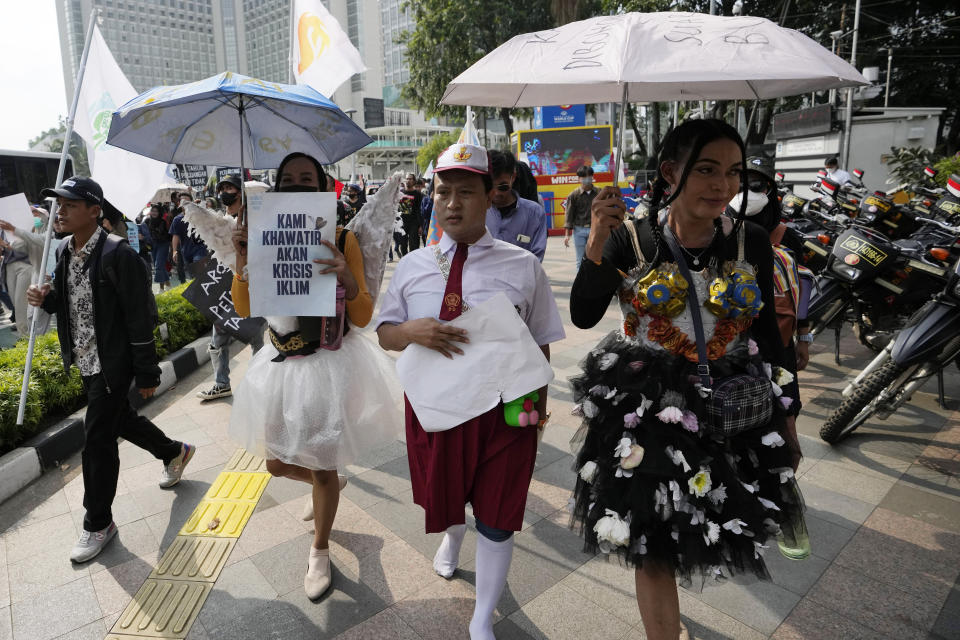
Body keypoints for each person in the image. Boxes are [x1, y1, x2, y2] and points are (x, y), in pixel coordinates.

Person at [567, 120, 804, 640]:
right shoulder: (630, 236)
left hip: (733, 406)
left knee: (711, 522)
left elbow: (770, 337)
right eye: (706, 170)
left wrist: (788, 414)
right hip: (650, 407)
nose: (722, 185)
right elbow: (583, 315)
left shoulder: (752, 241)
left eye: (733, 172)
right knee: (650, 536)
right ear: (671, 171)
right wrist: (597, 244)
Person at [376, 143, 564, 640]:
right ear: (433, 200)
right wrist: (412, 331)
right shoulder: (413, 266)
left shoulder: (523, 266)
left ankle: (483, 619)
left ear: (489, 197)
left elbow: (541, 344)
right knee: (449, 498)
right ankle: (453, 539)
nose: (453, 203)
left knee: (500, 514)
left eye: (465, 192)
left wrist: (536, 411)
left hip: (504, 413)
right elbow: (384, 334)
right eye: (444, 193)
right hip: (437, 410)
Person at [228, 153, 401, 600]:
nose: (298, 186)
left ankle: (320, 549)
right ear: (276, 187)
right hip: (279, 366)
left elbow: (362, 316)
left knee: (322, 467)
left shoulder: (342, 238)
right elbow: (245, 309)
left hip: (328, 365)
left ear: (327, 189)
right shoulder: (261, 238)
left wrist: (346, 277)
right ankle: (329, 484)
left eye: (308, 179)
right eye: (288, 179)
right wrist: (242, 259)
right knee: (275, 462)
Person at [26, 176, 194, 563]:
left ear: (94, 210)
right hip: (85, 359)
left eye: (69, 205)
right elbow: (71, 304)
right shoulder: (67, 250)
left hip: (113, 363)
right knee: (119, 420)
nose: (61, 212)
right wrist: (46, 298)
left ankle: (97, 522)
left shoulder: (119, 254)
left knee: (97, 439)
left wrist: (148, 372)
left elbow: (139, 317)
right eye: (59, 205)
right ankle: (173, 452)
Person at [728, 156, 813, 450]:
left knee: (783, 421)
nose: (746, 191)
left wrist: (804, 338)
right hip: (728, 346)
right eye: (740, 182)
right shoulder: (717, 229)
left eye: (756, 184)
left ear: (770, 191)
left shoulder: (785, 236)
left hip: (777, 343)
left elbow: (800, 290)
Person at [196, 175, 264, 401]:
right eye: (222, 188)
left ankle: (260, 383)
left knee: (257, 340)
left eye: (230, 188)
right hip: (223, 287)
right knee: (217, 339)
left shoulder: (254, 220)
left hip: (249, 287)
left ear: (240, 192)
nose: (225, 191)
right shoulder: (218, 221)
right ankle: (221, 382)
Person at [485, 149, 548, 261]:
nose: (496, 193)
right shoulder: (473, 212)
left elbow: (536, 260)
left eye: (502, 187)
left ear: (513, 177)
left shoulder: (535, 214)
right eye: (490, 187)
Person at [0, 206, 52, 334]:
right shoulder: (29, 231)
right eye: (31, 213)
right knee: (19, 304)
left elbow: (40, 241)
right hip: (15, 267)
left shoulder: (48, 232)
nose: (34, 216)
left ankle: (29, 338)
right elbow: (15, 245)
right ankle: (25, 335)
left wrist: (15, 229)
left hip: (32, 270)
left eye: (37, 213)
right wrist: (5, 242)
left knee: (27, 305)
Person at [564, 165, 599, 270]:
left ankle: (595, 283)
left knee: (595, 259)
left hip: (595, 230)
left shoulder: (599, 193)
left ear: (592, 177)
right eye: (583, 177)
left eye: (589, 176)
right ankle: (582, 285)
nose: (586, 179)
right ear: (579, 178)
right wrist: (567, 235)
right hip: (579, 230)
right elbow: (569, 215)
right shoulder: (573, 195)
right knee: (580, 260)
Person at [145, 204, 172, 290]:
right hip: (153, 245)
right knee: (161, 266)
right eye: (152, 211)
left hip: (163, 244)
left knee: (158, 265)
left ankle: (161, 289)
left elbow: (161, 233)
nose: (154, 213)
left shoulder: (163, 221)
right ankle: (168, 284)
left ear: (159, 212)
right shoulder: (147, 221)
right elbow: (145, 232)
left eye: (156, 211)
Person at [399, 173, 423, 254]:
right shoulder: (401, 193)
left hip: (414, 223)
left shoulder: (418, 194)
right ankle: (405, 262)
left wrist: (420, 226)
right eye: (407, 179)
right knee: (403, 245)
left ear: (414, 181)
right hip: (402, 223)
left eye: (410, 179)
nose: (408, 180)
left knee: (414, 245)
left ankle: (413, 262)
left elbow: (420, 210)